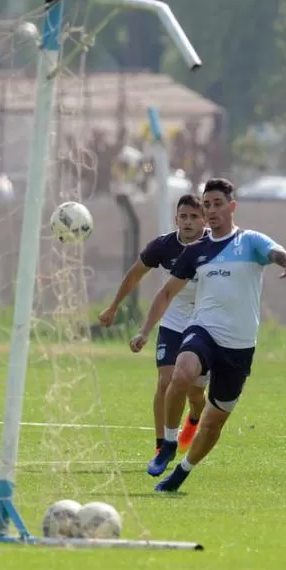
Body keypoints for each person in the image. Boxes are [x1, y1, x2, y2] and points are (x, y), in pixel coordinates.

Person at [129, 178, 286, 492]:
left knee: (213, 423)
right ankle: (168, 444)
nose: (211, 210)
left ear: (232, 207)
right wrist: (145, 330)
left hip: (239, 346)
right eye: (207, 204)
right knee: (180, 374)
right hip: (204, 330)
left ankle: (182, 472)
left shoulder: (250, 241)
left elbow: (278, 253)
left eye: (217, 204)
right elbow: (167, 292)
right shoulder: (196, 250)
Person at [98, 194, 208, 473]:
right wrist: (114, 308)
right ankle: (162, 447)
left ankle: (194, 419)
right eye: (184, 216)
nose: (189, 222)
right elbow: (135, 274)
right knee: (166, 381)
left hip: (206, 322)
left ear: (204, 220)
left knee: (196, 393)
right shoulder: (163, 246)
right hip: (173, 321)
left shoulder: (216, 246)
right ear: (176, 219)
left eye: (195, 216)